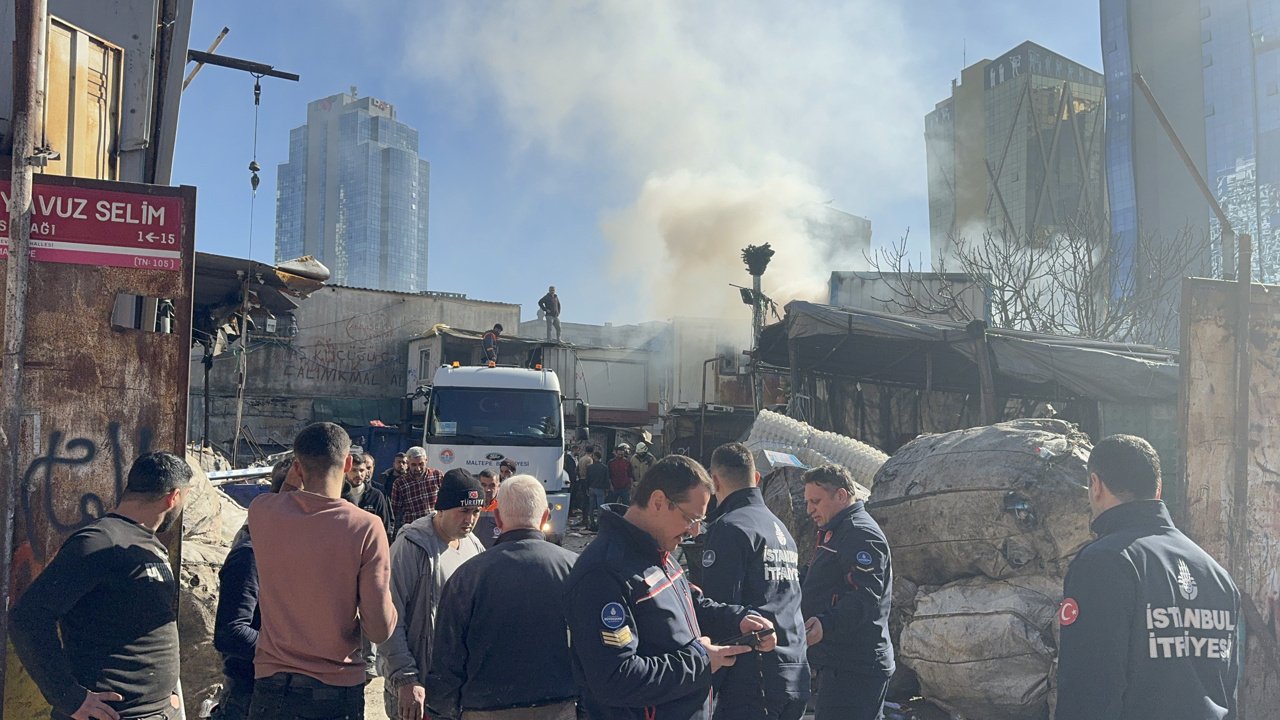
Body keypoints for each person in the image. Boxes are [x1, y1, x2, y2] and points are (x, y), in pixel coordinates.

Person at [566, 455, 777, 720]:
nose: (695, 531)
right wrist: (699, 661)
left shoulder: (658, 553)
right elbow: (615, 678)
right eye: (691, 518)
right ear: (658, 502)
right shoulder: (604, 572)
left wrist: (738, 621)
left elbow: (689, 605)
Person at [1056, 435, 1240, 720]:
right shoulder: (1216, 574)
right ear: (1158, 489)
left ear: (1095, 485)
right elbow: (1226, 687)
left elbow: (1088, 689)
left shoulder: (1105, 562)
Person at [11, 452, 192, 720]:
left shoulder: (148, 543)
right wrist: (69, 698)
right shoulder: (100, 541)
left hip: (157, 711)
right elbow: (27, 617)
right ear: (173, 497)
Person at [246, 422, 396, 720]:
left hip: (272, 684)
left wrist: (297, 474)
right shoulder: (365, 527)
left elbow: (285, 493)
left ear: (298, 467)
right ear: (348, 463)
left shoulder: (261, 511)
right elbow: (378, 629)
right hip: (335, 687)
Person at [427, 476, 579, 720]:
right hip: (561, 708)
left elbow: (447, 658)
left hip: (484, 710)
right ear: (545, 516)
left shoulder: (468, 576)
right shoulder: (576, 570)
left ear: (497, 518)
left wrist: (441, 711)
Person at [700, 443, 810, 720]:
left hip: (753, 681)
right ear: (757, 478)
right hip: (794, 670)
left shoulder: (729, 527)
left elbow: (718, 610)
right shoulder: (780, 529)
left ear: (714, 481)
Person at [381, 469, 487, 720]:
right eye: (463, 510)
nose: (470, 519)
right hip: (418, 687)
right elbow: (389, 617)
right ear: (442, 508)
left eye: (476, 511)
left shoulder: (474, 546)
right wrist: (405, 678)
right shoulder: (411, 547)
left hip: (456, 689)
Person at [801, 464, 894, 720]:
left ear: (841, 496)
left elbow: (865, 598)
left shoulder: (860, 533)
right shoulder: (837, 531)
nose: (810, 510)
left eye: (816, 501)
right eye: (808, 502)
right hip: (840, 661)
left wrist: (826, 624)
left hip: (857, 666)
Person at [211, 459, 300, 720]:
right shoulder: (251, 554)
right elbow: (231, 632)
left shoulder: (292, 551)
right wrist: (296, 655)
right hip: (248, 697)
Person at [392, 445, 444, 534]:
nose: (418, 468)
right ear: (408, 463)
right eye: (413, 465)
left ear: (426, 461)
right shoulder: (400, 483)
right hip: (413, 530)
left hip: (435, 527)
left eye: (421, 464)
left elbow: (446, 501)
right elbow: (394, 511)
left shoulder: (437, 475)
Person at [343, 451, 393, 544]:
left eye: (361, 470)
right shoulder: (339, 495)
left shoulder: (376, 496)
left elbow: (386, 527)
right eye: (354, 470)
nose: (358, 474)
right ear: (346, 471)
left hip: (369, 547)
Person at [473, 469, 504, 549]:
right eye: (483, 485)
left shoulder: (505, 507)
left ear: (499, 487)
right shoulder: (470, 506)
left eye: (492, 485)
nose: (487, 489)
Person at [585, 449, 611, 531]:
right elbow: (606, 479)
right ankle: (599, 524)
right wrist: (607, 489)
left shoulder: (590, 467)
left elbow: (587, 479)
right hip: (600, 489)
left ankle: (592, 523)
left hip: (591, 488)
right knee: (600, 508)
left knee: (591, 507)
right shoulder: (604, 468)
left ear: (594, 457)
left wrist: (587, 488)